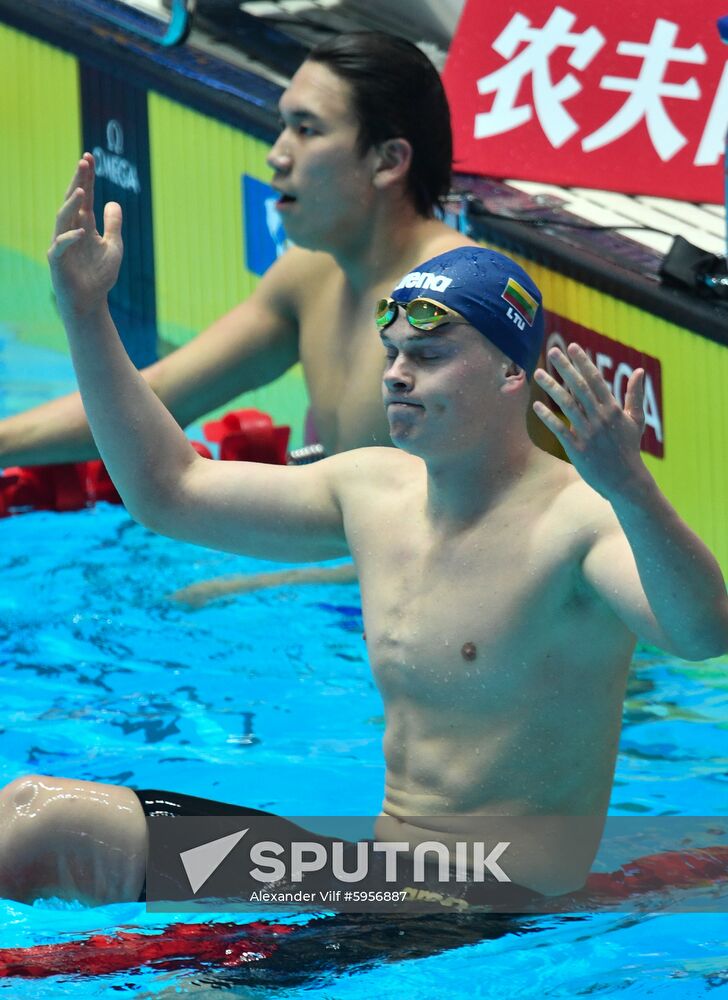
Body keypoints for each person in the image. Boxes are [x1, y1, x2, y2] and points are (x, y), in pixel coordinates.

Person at [0, 165, 726, 907]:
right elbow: (170, 491)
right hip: (374, 881)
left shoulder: (578, 523)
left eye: (430, 356)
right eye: (394, 355)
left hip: (485, 910)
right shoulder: (375, 491)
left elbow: (702, 635)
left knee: (156, 951)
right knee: (25, 814)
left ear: (514, 374)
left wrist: (632, 489)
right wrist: (85, 313)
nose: (397, 376)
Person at [0, 32, 474, 470]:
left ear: (388, 161)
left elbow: (475, 536)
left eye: (307, 130)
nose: (277, 154)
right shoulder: (311, 277)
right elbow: (156, 397)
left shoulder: (453, 307)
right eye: (284, 125)